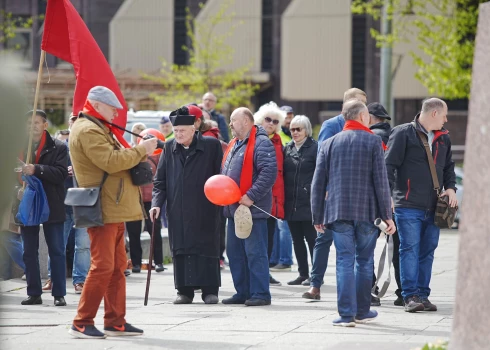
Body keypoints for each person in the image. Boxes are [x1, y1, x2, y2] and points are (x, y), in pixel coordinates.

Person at [69, 86, 157, 339]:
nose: (116, 112)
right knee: (103, 266)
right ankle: (82, 321)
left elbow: (115, 158)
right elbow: (112, 161)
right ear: (96, 106)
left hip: (113, 205)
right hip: (103, 206)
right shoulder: (87, 129)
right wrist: (142, 149)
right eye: (112, 107)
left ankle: (115, 320)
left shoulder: (96, 127)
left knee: (118, 266)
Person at [311, 100, 396, 327]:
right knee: (364, 261)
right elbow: (381, 181)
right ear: (360, 117)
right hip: (367, 212)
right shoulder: (373, 142)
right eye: (367, 115)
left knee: (344, 261)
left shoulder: (328, 143)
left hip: (338, 212)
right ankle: (362, 311)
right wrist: (387, 215)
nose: (369, 118)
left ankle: (346, 315)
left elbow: (318, 183)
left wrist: (317, 216)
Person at [385, 97, 457, 313]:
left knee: (427, 251)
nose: (446, 120)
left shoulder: (444, 138)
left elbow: (448, 167)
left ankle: (423, 295)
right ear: (434, 113)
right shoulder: (402, 133)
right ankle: (410, 296)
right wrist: (387, 196)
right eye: (444, 115)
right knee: (409, 249)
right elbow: (388, 166)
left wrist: (451, 187)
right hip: (407, 204)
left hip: (434, 206)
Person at [150, 105, 223, 304]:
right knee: (181, 249)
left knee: (206, 247)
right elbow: (160, 181)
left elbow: (221, 175)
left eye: (182, 131)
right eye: (176, 131)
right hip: (178, 210)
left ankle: (210, 291)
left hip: (205, 208)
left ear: (193, 129)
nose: (179, 134)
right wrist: (156, 204)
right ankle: (184, 291)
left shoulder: (211, 145)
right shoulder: (169, 147)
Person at [303, 88, 367, 300]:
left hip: (358, 195)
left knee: (361, 243)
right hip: (334, 194)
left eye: (364, 104)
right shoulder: (332, 126)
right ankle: (316, 284)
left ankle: (365, 288)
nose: (363, 109)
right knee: (324, 238)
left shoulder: (367, 126)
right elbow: (324, 159)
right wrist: (327, 190)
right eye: (359, 103)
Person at [221, 107, 277, 306]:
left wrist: (251, 196)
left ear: (246, 121)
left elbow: (269, 173)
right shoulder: (235, 143)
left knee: (255, 254)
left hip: (252, 210)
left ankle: (261, 293)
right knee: (235, 254)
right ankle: (243, 292)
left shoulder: (261, 143)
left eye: (233, 120)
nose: (230, 124)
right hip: (233, 210)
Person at [20, 110, 68, 307]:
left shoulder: (58, 147)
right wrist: (17, 189)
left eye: (37, 122)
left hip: (52, 203)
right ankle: (34, 293)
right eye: (29, 122)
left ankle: (59, 293)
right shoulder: (19, 146)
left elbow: (60, 174)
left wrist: (36, 169)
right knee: (29, 251)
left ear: (45, 125)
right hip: (27, 203)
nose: (33, 126)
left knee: (56, 250)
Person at [43, 124, 91, 295]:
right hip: (62, 202)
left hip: (84, 202)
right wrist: (64, 171)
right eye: (73, 121)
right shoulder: (58, 147)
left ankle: (80, 280)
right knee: (57, 244)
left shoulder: (89, 147)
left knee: (83, 245)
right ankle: (53, 278)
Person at [366, 102, 400, 307]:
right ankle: (405, 291)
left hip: (376, 199)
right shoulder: (394, 136)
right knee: (396, 247)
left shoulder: (373, 138)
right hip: (397, 199)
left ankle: (370, 288)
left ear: (369, 117)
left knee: (366, 246)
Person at [283, 115, 318, 286]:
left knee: (312, 239)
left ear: (306, 130)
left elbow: (322, 174)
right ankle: (302, 273)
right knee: (296, 240)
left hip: (309, 202)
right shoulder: (287, 148)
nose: (295, 132)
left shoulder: (315, 147)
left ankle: (316, 275)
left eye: (298, 129)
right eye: (292, 129)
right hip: (291, 202)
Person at [253, 102, 285, 286]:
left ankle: (265, 272)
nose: (271, 123)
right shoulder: (254, 138)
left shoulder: (279, 142)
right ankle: (256, 273)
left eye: (275, 121)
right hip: (257, 196)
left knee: (270, 237)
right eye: (267, 119)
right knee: (257, 238)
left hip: (274, 197)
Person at [126, 145, 165, 274]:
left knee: (154, 230)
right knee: (133, 232)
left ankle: (158, 261)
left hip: (150, 200)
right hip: (134, 199)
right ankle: (136, 263)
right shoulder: (131, 156)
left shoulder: (156, 157)